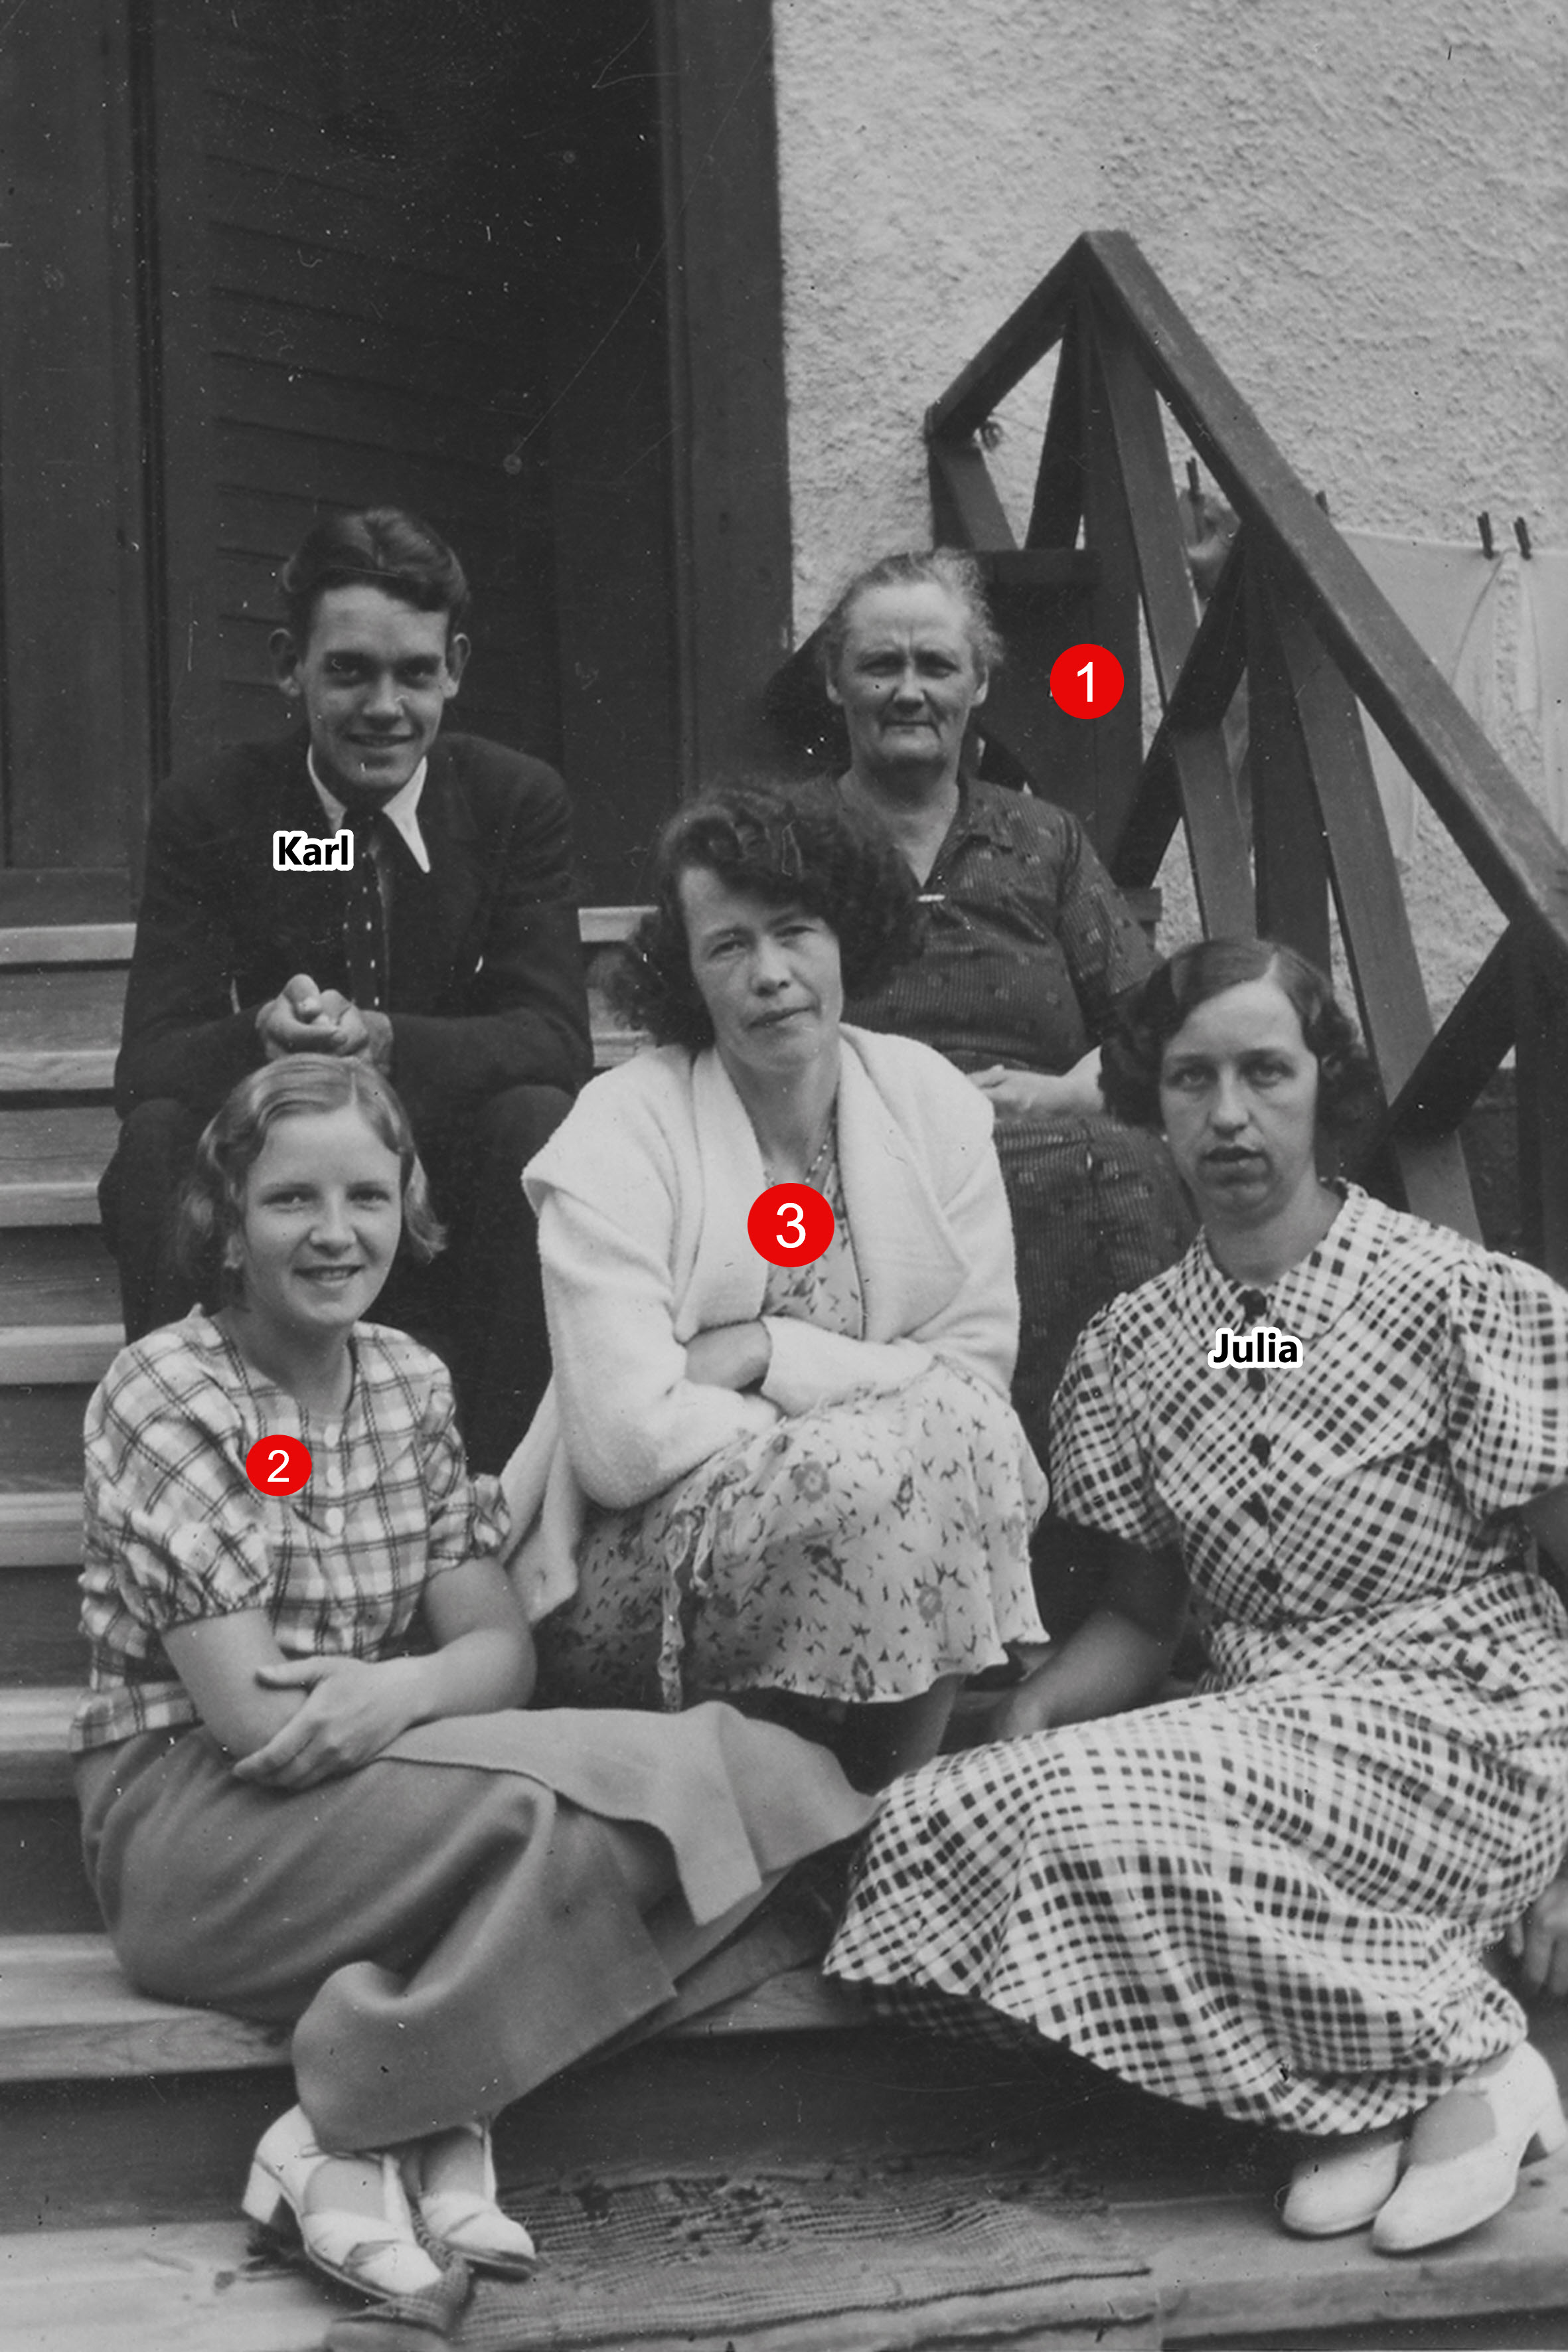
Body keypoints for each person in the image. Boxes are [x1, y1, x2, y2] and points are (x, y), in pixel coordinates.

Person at [75, 1055, 872, 2304]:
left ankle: (377, 2117)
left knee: (766, 1782)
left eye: (366, 1197)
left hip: (376, 1774)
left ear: (407, 1208)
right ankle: (398, 2110)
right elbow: (254, 1718)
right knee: (571, 1816)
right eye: (290, 1200)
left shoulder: (408, 1384)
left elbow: (498, 1652)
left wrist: (399, 1693)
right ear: (226, 1227)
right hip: (196, 1821)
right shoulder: (169, 1388)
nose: (335, 1233)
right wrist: (431, 1687)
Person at [826, 937, 1568, 2255]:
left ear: (1322, 1083)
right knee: (940, 1813)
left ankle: (1474, 2063)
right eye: (1190, 1079)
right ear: (1147, 1102)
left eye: (1264, 1072)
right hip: (1266, 1740)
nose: (1228, 1115)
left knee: (1081, 1812)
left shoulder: (1455, 1298)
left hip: (1464, 1726)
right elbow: (1140, 1620)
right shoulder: (1140, 1346)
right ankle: (1371, 2086)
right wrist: (1032, 1716)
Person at [501, 785, 1048, 1788]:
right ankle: (829, 1809)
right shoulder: (622, 1128)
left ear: (846, 937)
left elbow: (975, 1375)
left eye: (795, 932)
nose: (769, 975)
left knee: (954, 1438)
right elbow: (623, 1447)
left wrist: (765, 1353)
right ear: (687, 974)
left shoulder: (927, 1101)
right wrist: (851, 1414)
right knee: (873, 1464)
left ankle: (879, 1804)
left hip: (866, 1531)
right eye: (727, 947)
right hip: (626, 1577)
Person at [100, 506, 592, 1470]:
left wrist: (387, 1039)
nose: (384, 708)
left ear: (454, 667)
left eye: (415, 674)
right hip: (275, 1195)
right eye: (350, 672)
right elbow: (148, 1061)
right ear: (290, 666)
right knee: (156, 1137)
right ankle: (181, 1466)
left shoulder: (512, 802)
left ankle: (493, 1485)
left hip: (437, 1196)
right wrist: (262, 1038)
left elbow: (554, 1037)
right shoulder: (215, 808)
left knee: (537, 1119)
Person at [805, 549, 1194, 1622]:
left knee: (1122, 1172)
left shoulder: (1040, 838)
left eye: (936, 664)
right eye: (879, 664)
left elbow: (1151, 1017)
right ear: (835, 681)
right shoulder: (793, 839)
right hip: (860, 1146)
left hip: (1048, 1138)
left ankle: (1126, 1562)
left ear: (978, 683)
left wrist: (1064, 1095)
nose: (908, 691)